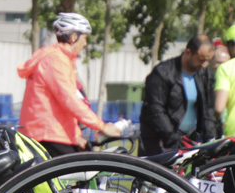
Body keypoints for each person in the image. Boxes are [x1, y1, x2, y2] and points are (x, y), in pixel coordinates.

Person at [16, 12, 121, 157]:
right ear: (73, 37)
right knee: (82, 171)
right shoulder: (55, 60)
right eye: (84, 38)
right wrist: (101, 126)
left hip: (53, 133)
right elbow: (69, 100)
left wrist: (75, 136)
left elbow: (62, 107)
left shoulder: (60, 58)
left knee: (84, 170)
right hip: (47, 135)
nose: (85, 43)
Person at [140, 35, 215, 155]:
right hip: (159, 143)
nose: (204, 65)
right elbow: (155, 110)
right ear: (188, 52)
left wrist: (210, 139)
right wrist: (172, 139)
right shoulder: (162, 73)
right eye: (201, 60)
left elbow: (208, 111)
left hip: (188, 140)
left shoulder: (205, 75)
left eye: (208, 60)